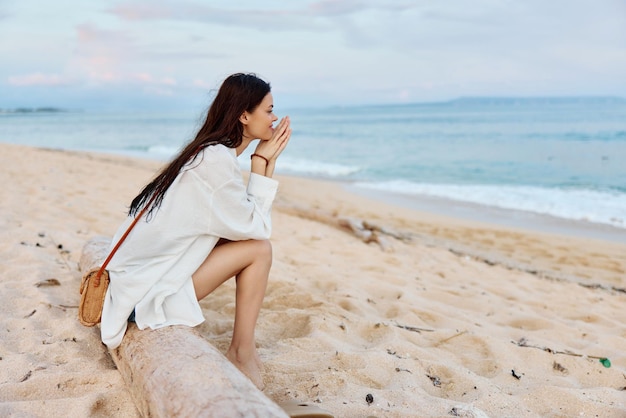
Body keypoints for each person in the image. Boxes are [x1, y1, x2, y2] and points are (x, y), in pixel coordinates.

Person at [100, 73, 291, 390]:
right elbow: (257, 230)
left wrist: (263, 162)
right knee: (260, 250)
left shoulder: (208, 152)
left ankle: (243, 352)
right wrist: (261, 162)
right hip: (138, 299)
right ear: (245, 115)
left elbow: (241, 226)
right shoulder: (214, 161)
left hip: (131, 285)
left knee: (251, 244)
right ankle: (242, 353)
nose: (274, 119)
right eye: (269, 110)